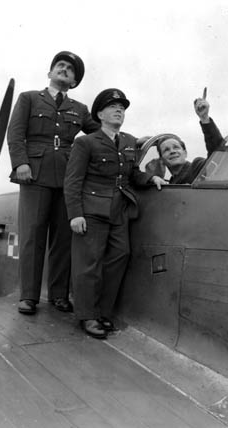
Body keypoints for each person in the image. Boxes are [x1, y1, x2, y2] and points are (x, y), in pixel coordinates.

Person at [7, 51, 99, 315]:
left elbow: (99, 135)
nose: (64, 69)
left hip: (68, 177)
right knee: (32, 235)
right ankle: (29, 296)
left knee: (63, 238)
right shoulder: (29, 98)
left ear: (74, 81)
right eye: (60, 65)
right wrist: (20, 163)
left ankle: (58, 295)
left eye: (70, 69)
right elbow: (15, 134)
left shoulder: (80, 110)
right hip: (34, 172)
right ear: (50, 73)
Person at [64, 88, 152, 339]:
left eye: (122, 108)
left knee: (120, 256)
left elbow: (133, 173)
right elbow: (73, 181)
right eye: (113, 107)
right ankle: (87, 316)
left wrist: (150, 177)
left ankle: (103, 312)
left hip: (119, 210)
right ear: (100, 114)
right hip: (91, 211)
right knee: (88, 264)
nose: (119, 111)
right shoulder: (86, 142)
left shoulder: (128, 141)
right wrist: (75, 214)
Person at [149, 92, 225, 188]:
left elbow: (217, 153)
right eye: (166, 150)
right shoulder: (171, 182)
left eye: (176, 147)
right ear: (162, 159)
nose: (172, 151)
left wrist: (204, 118)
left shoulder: (196, 167)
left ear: (185, 153)